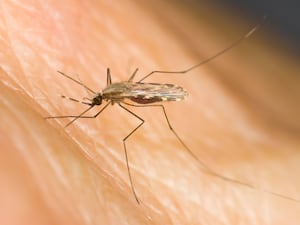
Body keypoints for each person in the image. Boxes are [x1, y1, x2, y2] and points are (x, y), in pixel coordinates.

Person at [1, 1, 299, 224]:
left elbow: (98, 110)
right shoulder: (106, 92)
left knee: (139, 113)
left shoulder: (109, 96)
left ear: (102, 96)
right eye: (96, 97)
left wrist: (69, 116)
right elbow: (101, 96)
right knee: (139, 84)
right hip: (131, 90)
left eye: (97, 98)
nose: (95, 101)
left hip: (138, 94)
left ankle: (189, 134)